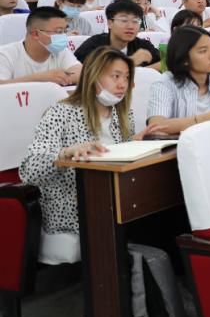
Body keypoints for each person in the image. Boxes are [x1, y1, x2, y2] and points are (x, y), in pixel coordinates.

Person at [19, 47, 162, 233]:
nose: (122, 84)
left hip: (114, 204)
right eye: (115, 76)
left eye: (127, 77)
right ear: (93, 77)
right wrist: (65, 154)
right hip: (72, 211)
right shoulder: (60, 113)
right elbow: (29, 170)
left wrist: (135, 145)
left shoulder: (122, 113)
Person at [0, 7, 82, 86]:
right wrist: (41, 78)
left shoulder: (60, 51)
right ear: (36, 34)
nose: (64, 36)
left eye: (65, 31)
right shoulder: (5, 54)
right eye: (59, 31)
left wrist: (59, 78)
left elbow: (80, 72)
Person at [73, 0, 161, 68]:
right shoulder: (94, 45)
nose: (130, 26)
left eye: (135, 21)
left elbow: (164, 63)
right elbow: (78, 71)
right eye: (124, 20)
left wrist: (143, 71)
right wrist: (131, 63)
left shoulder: (142, 45)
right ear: (110, 23)